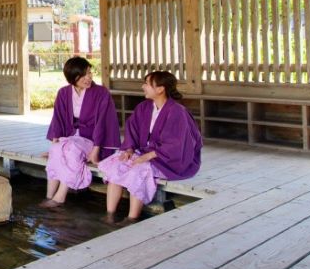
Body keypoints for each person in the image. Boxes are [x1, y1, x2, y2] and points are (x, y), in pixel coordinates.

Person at [99, 70, 202, 221]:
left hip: (170, 160)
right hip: (145, 153)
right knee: (118, 165)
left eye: (147, 84)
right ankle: (110, 214)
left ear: (160, 89)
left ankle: (131, 218)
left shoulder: (177, 112)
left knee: (138, 170)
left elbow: (177, 143)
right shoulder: (144, 107)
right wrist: (129, 149)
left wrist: (148, 156)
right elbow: (132, 130)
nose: (143, 87)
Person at [42, 56, 120, 206]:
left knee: (72, 150)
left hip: (93, 140)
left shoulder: (101, 93)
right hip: (70, 137)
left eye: (90, 73)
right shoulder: (64, 92)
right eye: (83, 75)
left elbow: (103, 123)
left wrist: (95, 151)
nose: (88, 78)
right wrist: (54, 144)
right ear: (72, 77)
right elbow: (57, 118)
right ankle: (49, 195)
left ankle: (60, 196)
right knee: (57, 151)